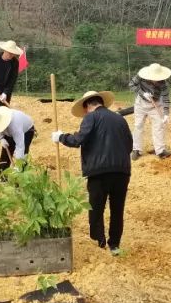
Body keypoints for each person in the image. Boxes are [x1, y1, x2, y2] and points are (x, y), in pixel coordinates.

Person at [51, 90, 132, 255]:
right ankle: (114, 245)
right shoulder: (120, 119)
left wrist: (61, 137)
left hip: (98, 171)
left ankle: (99, 242)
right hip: (122, 171)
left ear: (88, 106)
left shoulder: (91, 117)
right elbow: (129, 145)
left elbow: (78, 140)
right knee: (117, 209)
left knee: (96, 208)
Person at [129, 62, 171, 160]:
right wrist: (142, 93)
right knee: (138, 125)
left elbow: (166, 99)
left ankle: (160, 151)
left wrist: (166, 114)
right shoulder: (140, 77)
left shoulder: (164, 84)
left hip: (156, 105)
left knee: (159, 126)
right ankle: (137, 150)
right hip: (140, 103)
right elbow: (131, 85)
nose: (156, 80)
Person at [0, 105, 36, 172]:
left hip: (27, 130)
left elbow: (20, 146)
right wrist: (1, 139)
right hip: (10, 130)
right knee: (6, 152)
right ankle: (3, 176)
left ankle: (21, 174)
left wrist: (18, 165)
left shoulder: (15, 126)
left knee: (23, 154)